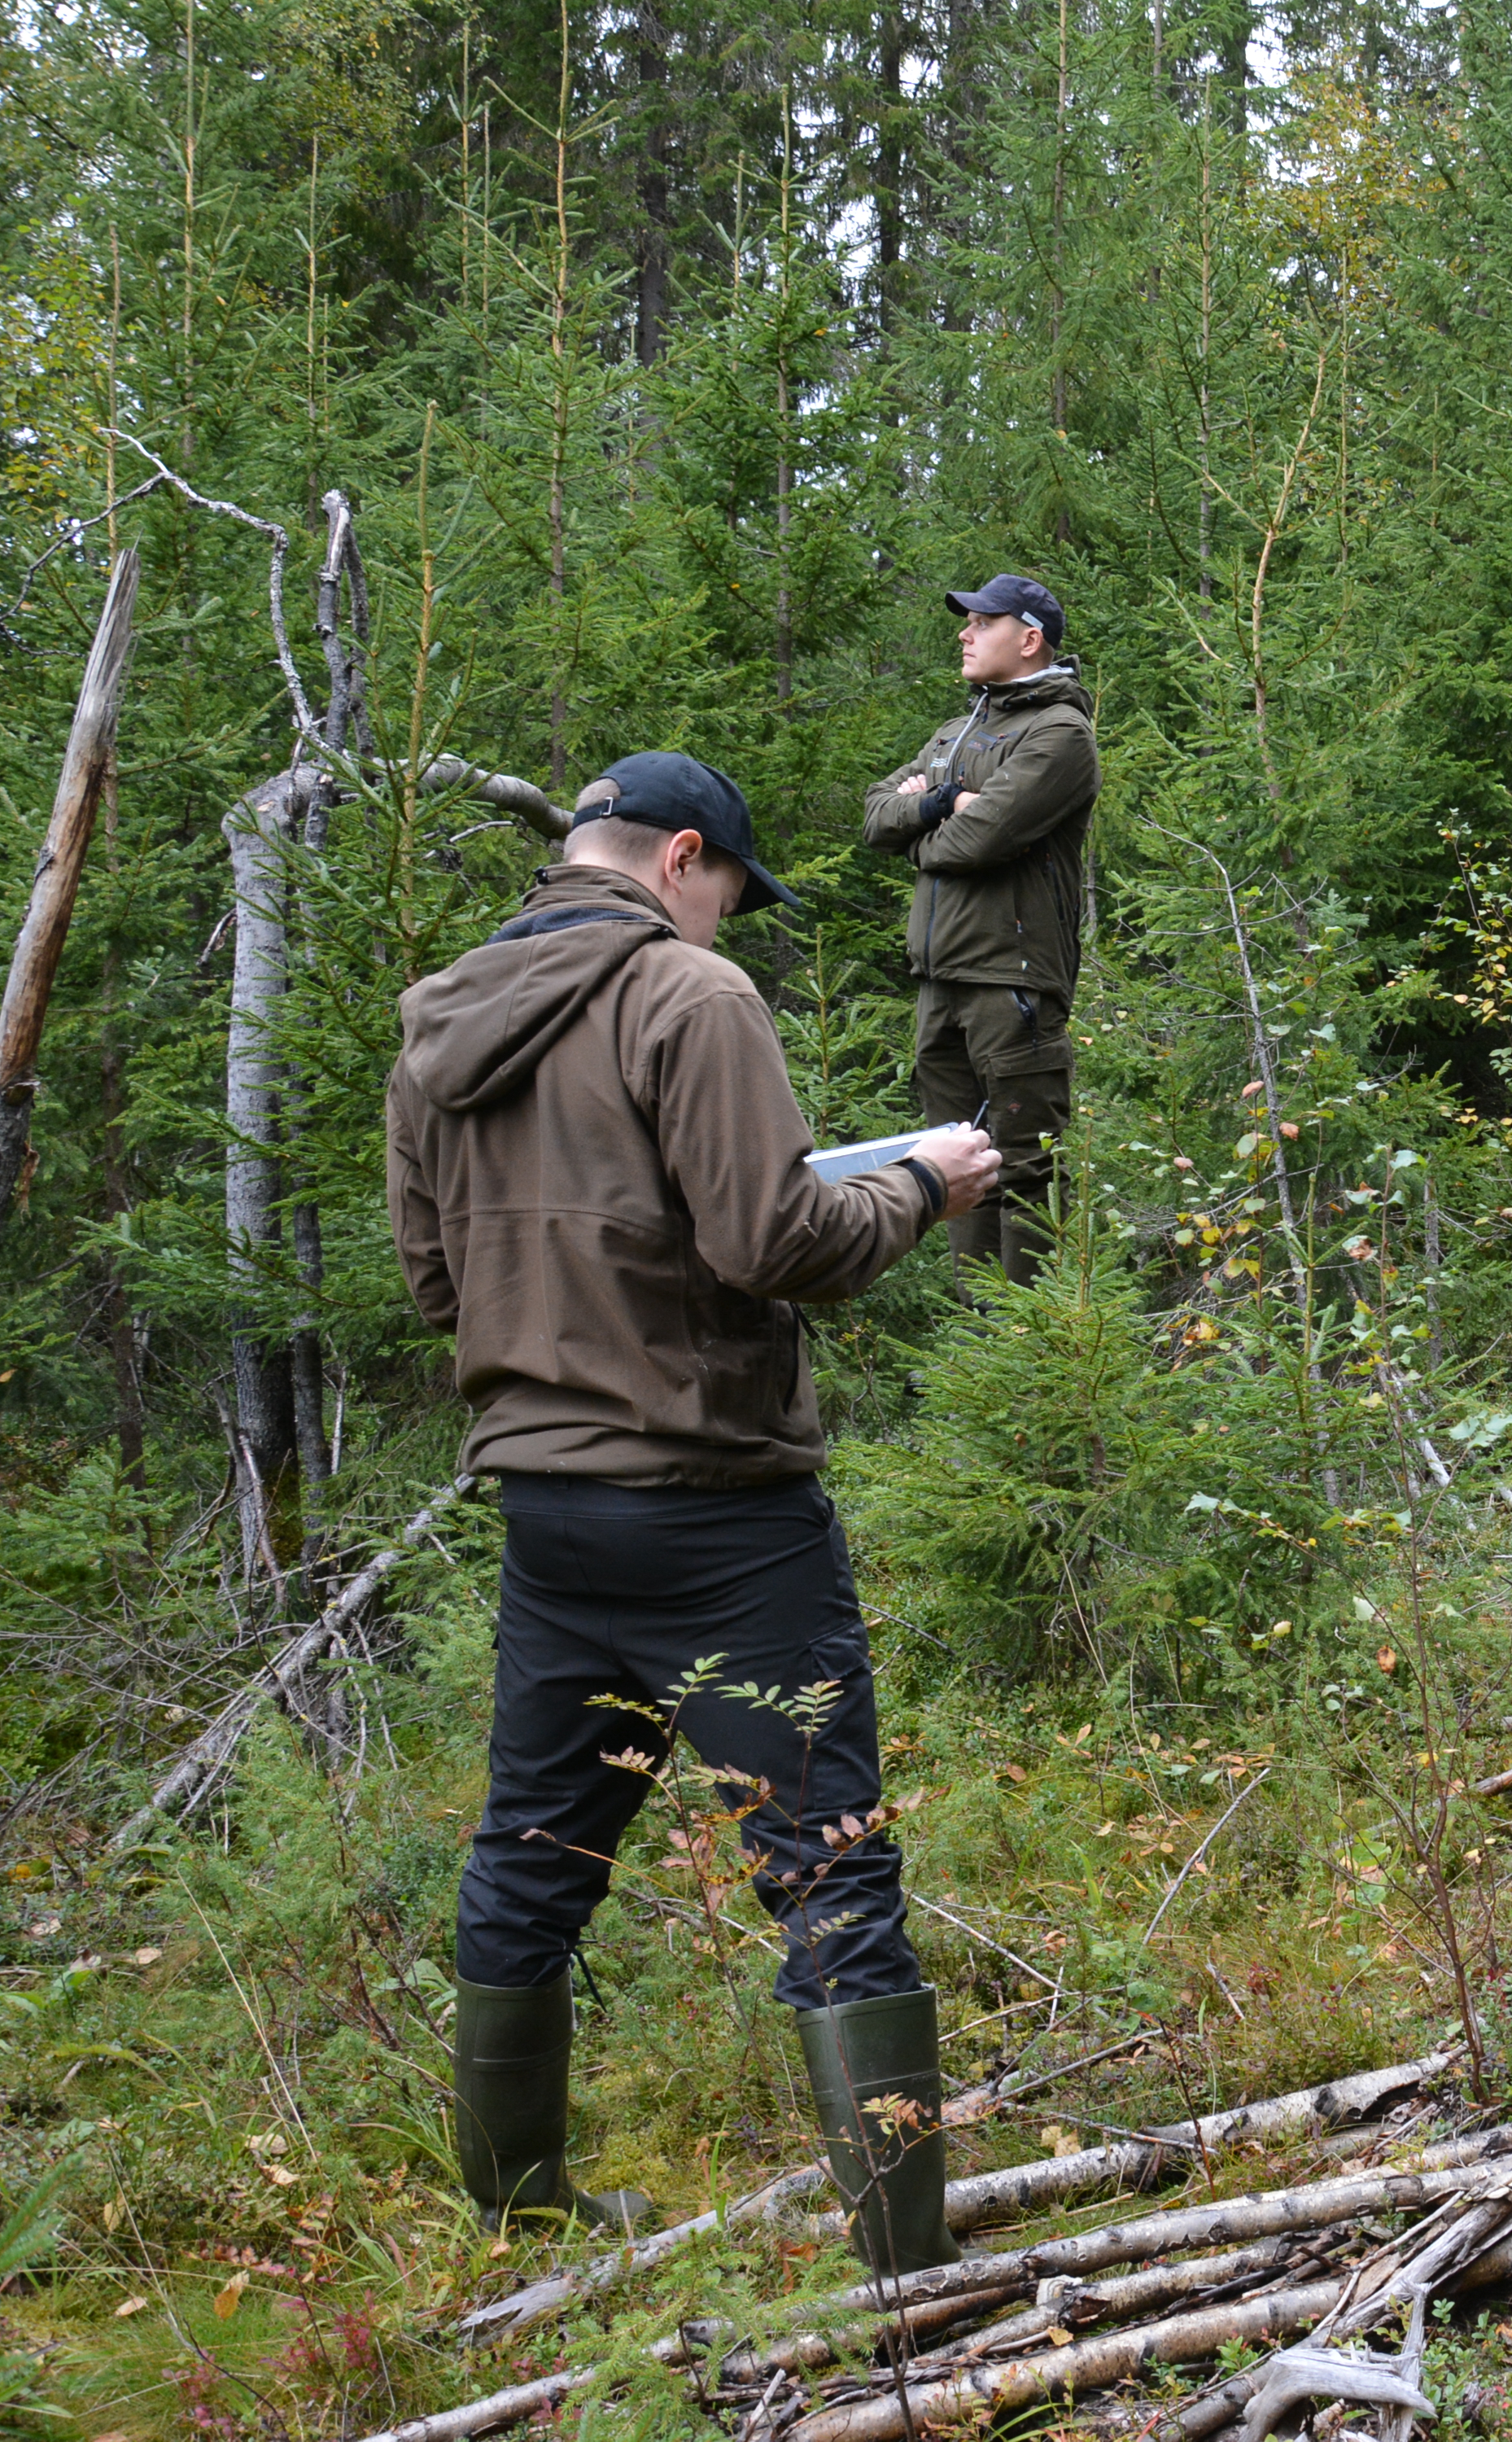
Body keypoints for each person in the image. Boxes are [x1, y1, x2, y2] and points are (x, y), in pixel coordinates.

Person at [386, 753, 1000, 2276]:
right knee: (829, 1861)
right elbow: (777, 1238)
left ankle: (520, 2217)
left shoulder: (439, 1021)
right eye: (727, 888)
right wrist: (919, 1185)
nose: (724, 921)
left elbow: (433, 1283)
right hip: (720, 1521)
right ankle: (912, 2286)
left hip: (548, 1517)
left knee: (532, 1851)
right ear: (678, 858)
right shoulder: (690, 1001)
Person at [863, 573, 1098, 1285]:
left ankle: (1031, 1347)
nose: (963, 634)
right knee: (956, 1168)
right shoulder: (958, 730)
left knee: (1023, 1169)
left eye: (981, 623)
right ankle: (979, 1351)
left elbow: (977, 843)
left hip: (1013, 980)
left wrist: (927, 824)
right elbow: (877, 815)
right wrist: (944, 801)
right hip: (942, 983)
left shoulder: (1061, 734)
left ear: (1029, 640)